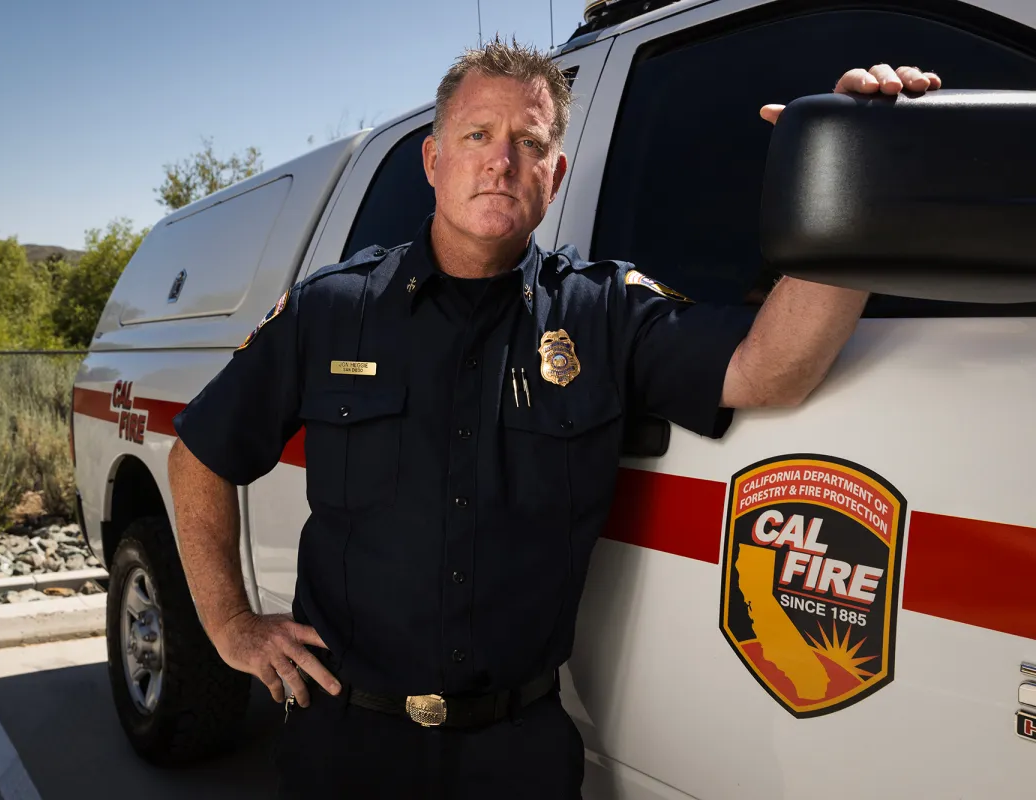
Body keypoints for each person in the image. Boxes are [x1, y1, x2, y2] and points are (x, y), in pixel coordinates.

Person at [168, 36, 941, 799]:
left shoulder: (602, 312)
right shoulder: (334, 309)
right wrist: (231, 625)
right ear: (433, 161)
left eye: (529, 142)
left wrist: (858, 178)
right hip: (344, 743)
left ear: (555, 173)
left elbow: (771, 368)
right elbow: (198, 455)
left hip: (517, 752)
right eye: (477, 135)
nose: (501, 161)